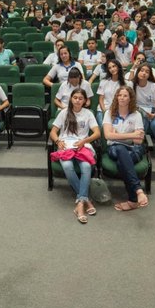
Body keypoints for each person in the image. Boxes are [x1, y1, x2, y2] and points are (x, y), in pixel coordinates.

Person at [49, 88, 101, 224]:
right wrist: (58, 141)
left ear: (85, 101)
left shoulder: (88, 113)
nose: (77, 100)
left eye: (80, 98)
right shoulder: (64, 112)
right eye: (75, 98)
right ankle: (85, 199)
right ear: (71, 99)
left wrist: (84, 141)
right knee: (67, 166)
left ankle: (80, 203)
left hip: (82, 145)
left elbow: (97, 133)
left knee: (86, 167)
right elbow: (53, 132)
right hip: (65, 145)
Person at [102, 86, 149, 211]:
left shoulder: (136, 115)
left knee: (122, 162)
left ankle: (133, 201)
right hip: (115, 148)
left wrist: (118, 135)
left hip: (134, 149)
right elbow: (108, 136)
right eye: (119, 95)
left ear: (130, 98)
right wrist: (132, 135)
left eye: (125, 96)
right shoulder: (109, 113)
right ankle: (138, 191)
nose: (121, 98)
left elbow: (139, 140)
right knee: (120, 149)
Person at [132, 64, 155, 163]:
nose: (144, 73)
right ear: (137, 72)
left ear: (149, 75)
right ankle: (138, 149)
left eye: (147, 72)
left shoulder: (154, 86)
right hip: (141, 112)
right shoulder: (133, 85)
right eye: (142, 70)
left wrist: (154, 115)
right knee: (142, 124)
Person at [96, 59, 125, 123]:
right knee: (104, 126)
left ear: (118, 67)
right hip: (104, 109)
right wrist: (105, 112)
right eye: (109, 68)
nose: (112, 69)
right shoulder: (104, 82)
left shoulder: (125, 83)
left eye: (114, 66)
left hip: (118, 111)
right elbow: (101, 99)